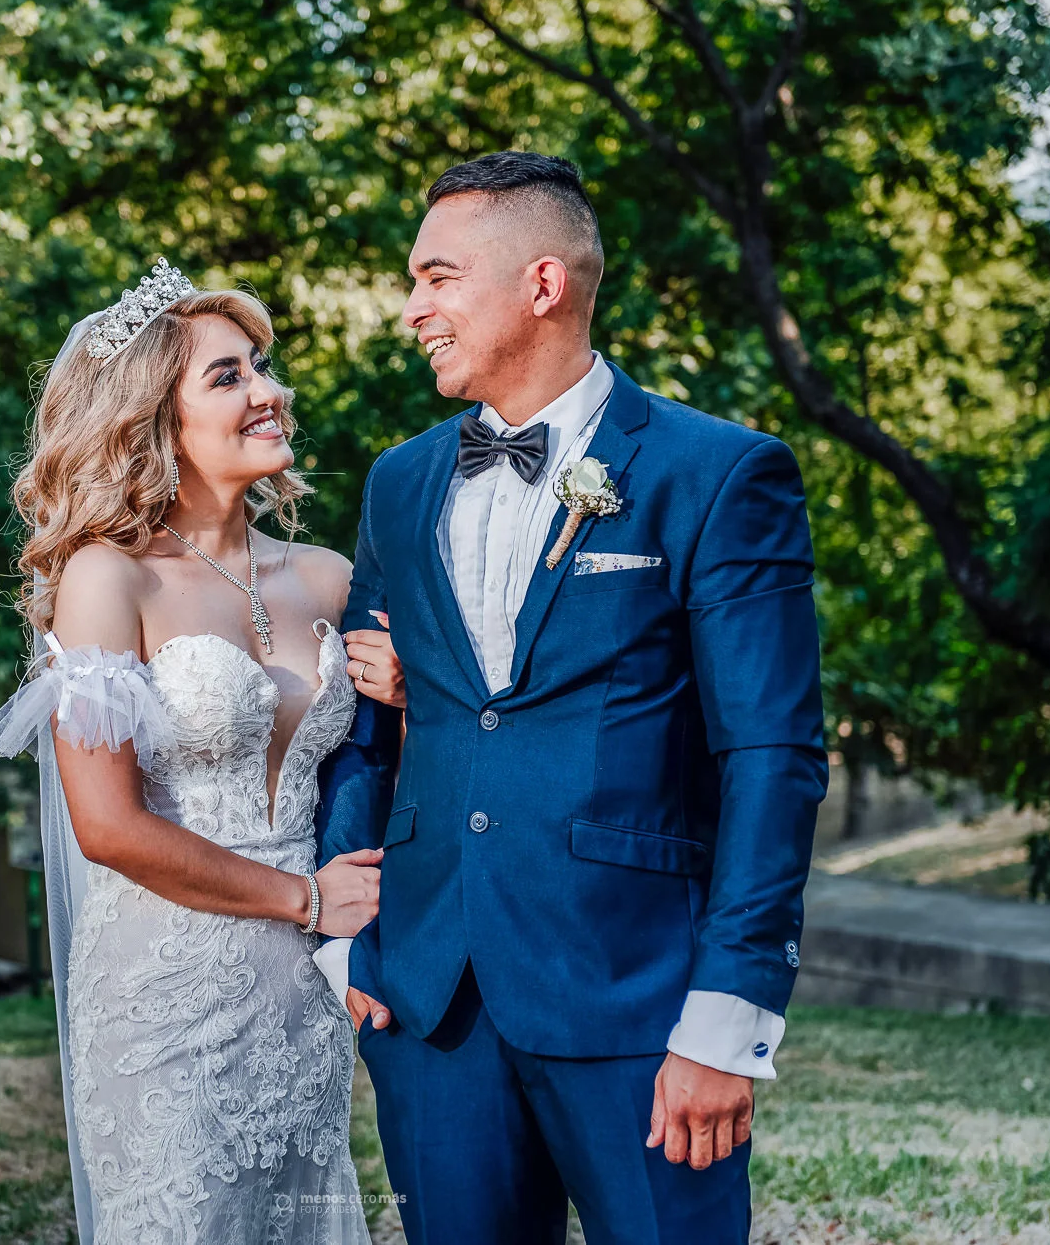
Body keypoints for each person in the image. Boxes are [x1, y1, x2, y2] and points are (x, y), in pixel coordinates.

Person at [316, 151, 827, 1244]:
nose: (412, 309)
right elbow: (360, 725)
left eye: (438, 278)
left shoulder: (717, 473)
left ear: (541, 284)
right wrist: (345, 935)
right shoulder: (399, 482)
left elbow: (770, 755)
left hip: (639, 998)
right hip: (432, 1006)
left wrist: (727, 1015)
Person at [0, 263, 406, 1245]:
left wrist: (408, 695)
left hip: (303, 998)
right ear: (153, 421)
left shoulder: (329, 577)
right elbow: (108, 826)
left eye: (260, 366)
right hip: (164, 992)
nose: (270, 391)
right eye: (229, 376)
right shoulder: (109, 579)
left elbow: (395, 764)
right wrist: (306, 899)